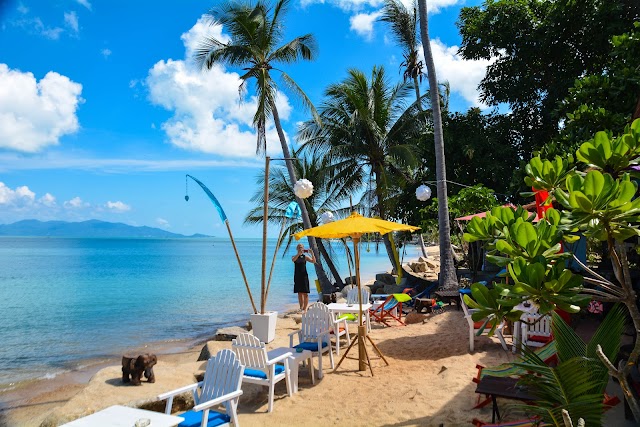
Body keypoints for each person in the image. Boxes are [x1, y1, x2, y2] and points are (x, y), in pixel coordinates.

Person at [292, 243, 315, 312]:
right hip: (297, 276)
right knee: (299, 293)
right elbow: (293, 260)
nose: (300, 248)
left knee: (305, 293)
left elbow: (313, 261)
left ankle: (305, 308)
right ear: (297, 248)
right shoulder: (294, 256)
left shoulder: (305, 257)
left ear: (303, 248)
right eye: (299, 247)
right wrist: (298, 254)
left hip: (304, 276)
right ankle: (301, 307)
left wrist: (312, 253)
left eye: (301, 247)